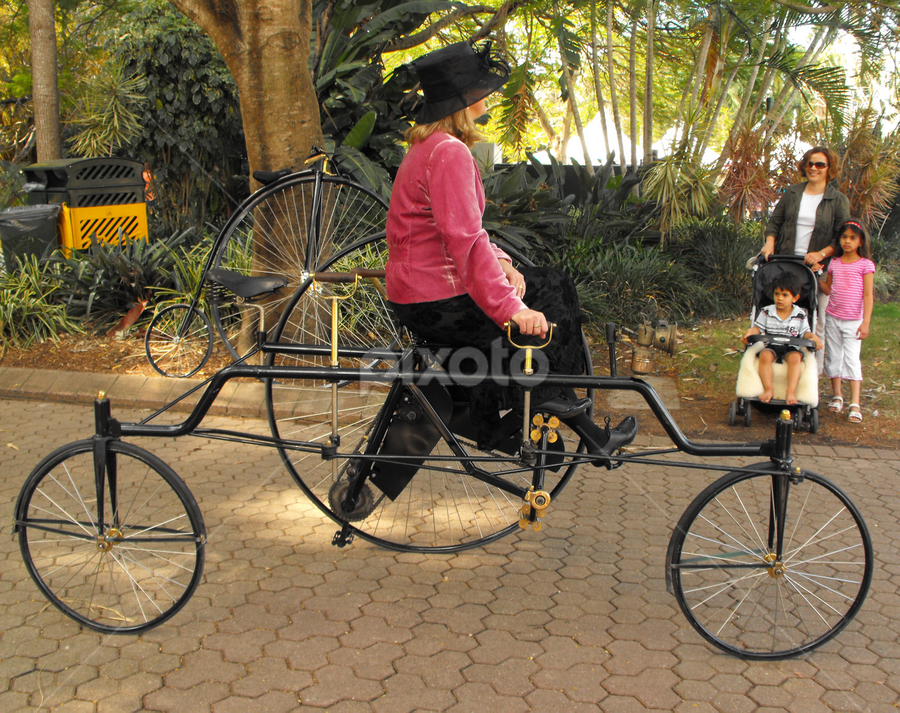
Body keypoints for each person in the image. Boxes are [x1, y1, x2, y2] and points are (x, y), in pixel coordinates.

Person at [385, 41, 636, 463]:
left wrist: (501, 260)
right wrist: (509, 309)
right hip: (440, 300)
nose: (488, 94)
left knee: (548, 283)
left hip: (421, 296)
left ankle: (567, 419)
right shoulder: (449, 152)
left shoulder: (426, 148)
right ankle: (552, 409)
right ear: (462, 99)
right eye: (480, 88)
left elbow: (454, 229)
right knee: (552, 292)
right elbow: (463, 240)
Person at [760, 146, 850, 371]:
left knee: (815, 321)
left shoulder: (837, 200)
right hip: (786, 262)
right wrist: (769, 243)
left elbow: (842, 236)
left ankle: (812, 375)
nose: (813, 168)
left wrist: (821, 253)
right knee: (779, 314)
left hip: (817, 267)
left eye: (820, 164)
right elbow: (775, 222)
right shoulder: (792, 193)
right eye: (810, 163)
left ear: (829, 168)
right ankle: (773, 367)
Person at [819, 219, 875, 424]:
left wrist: (866, 322)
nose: (847, 241)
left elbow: (868, 295)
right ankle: (837, 396)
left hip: (853, 321)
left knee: (851, 359)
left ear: (860, 241)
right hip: (833, 317)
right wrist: (817, 276)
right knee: (834, 356)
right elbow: (829, 290)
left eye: (852, 237)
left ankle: (855, 403)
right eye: (844, 237)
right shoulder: (834, 263)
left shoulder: (865, 265)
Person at [741, 272, 823, 405]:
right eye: (777, 294)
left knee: (795, 358)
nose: (779, 298)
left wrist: (813, 337)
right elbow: (758, 328)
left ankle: (790, 391)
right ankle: (769, 389)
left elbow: (805, 333)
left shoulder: (800, 314)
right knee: (765, 356)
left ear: (795, 298)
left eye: (785, 295)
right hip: (771, 345)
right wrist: (750, 332)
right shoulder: (767, 312)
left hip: (791, 346)